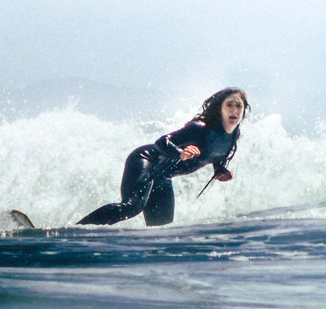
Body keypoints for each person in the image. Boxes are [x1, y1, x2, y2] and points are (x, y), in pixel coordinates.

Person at [78, 87, 251, 226]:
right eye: (229, 105)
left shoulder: (232, 137)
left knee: (161, 228)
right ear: (220, 108)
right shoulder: (200, 128)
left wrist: (220, 170)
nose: (234, 110)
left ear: (243, 111)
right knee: (131, 207)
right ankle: (78, 230)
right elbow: (161, 142)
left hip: (162, 177)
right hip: (146, 159)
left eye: (238, 106)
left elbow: (215, 156)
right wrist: (180, 153)